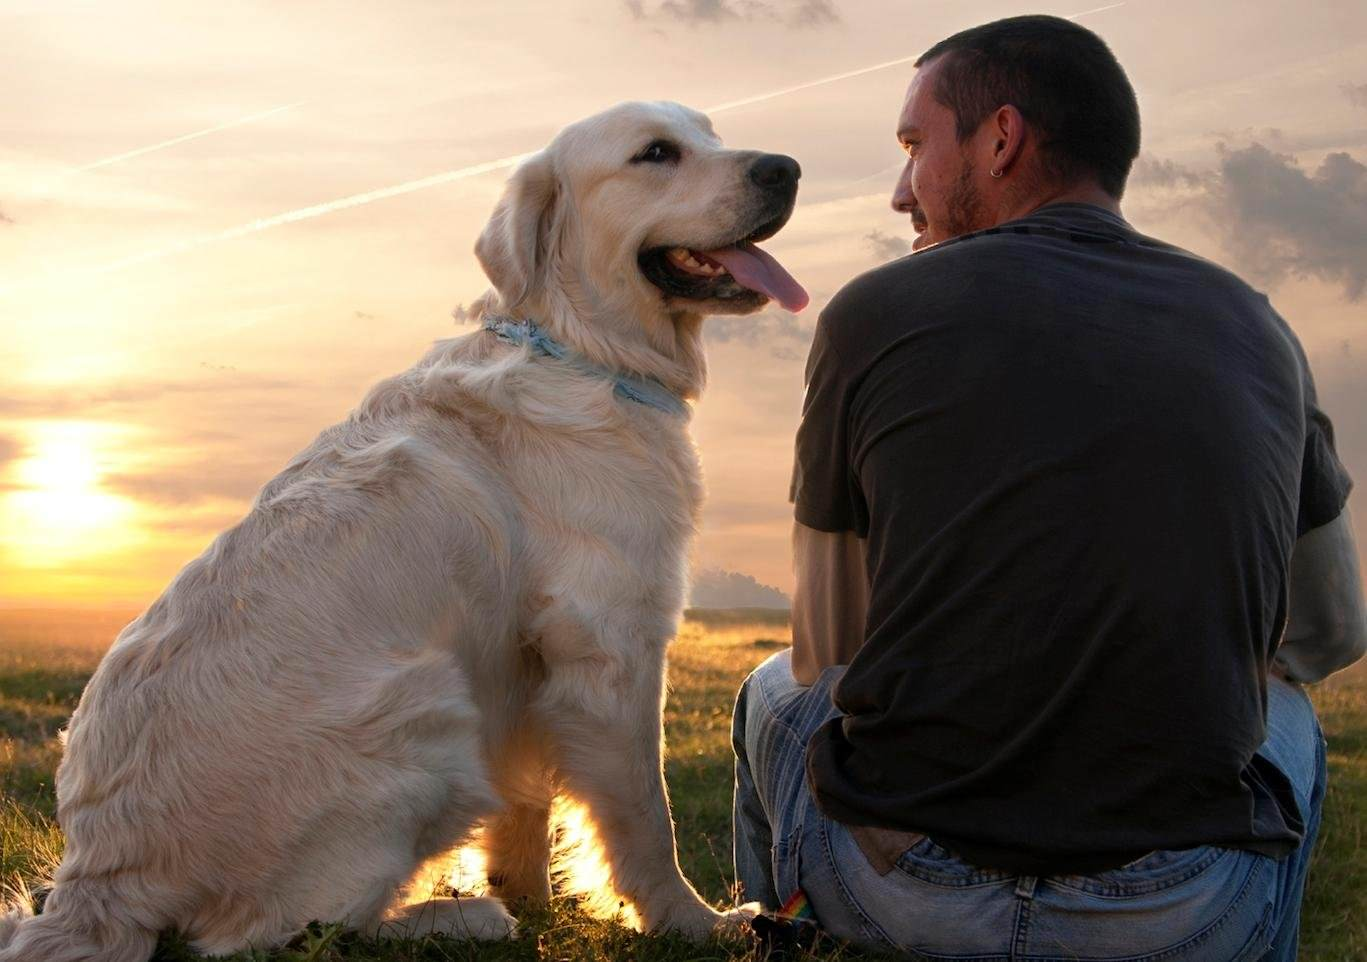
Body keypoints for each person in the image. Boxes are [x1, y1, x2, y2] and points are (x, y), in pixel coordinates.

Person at [731, 14, 1366, 961]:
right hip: (1181, 914)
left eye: (913, 145)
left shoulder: (873, 312)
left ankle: (783, 938)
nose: (900, 189)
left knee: (772, 693)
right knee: (1286, 718)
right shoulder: (1257, 327)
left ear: (1000, 138)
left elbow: (831, 648)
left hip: (909, 895)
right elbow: (1329, 633)